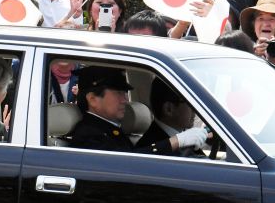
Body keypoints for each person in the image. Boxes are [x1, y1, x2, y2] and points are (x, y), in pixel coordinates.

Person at [67, 66, 206, 154]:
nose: (125, 100)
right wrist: (176, 141)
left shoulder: (109, 130)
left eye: (125, 93)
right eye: (119, 93)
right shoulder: (88, 135)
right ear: (92, 99)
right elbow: (125, 165)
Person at [139, 78, 209, 155]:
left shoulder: (184, 136)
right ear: (169, 109)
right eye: (190, 103)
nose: (195, 110)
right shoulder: (150, 146)